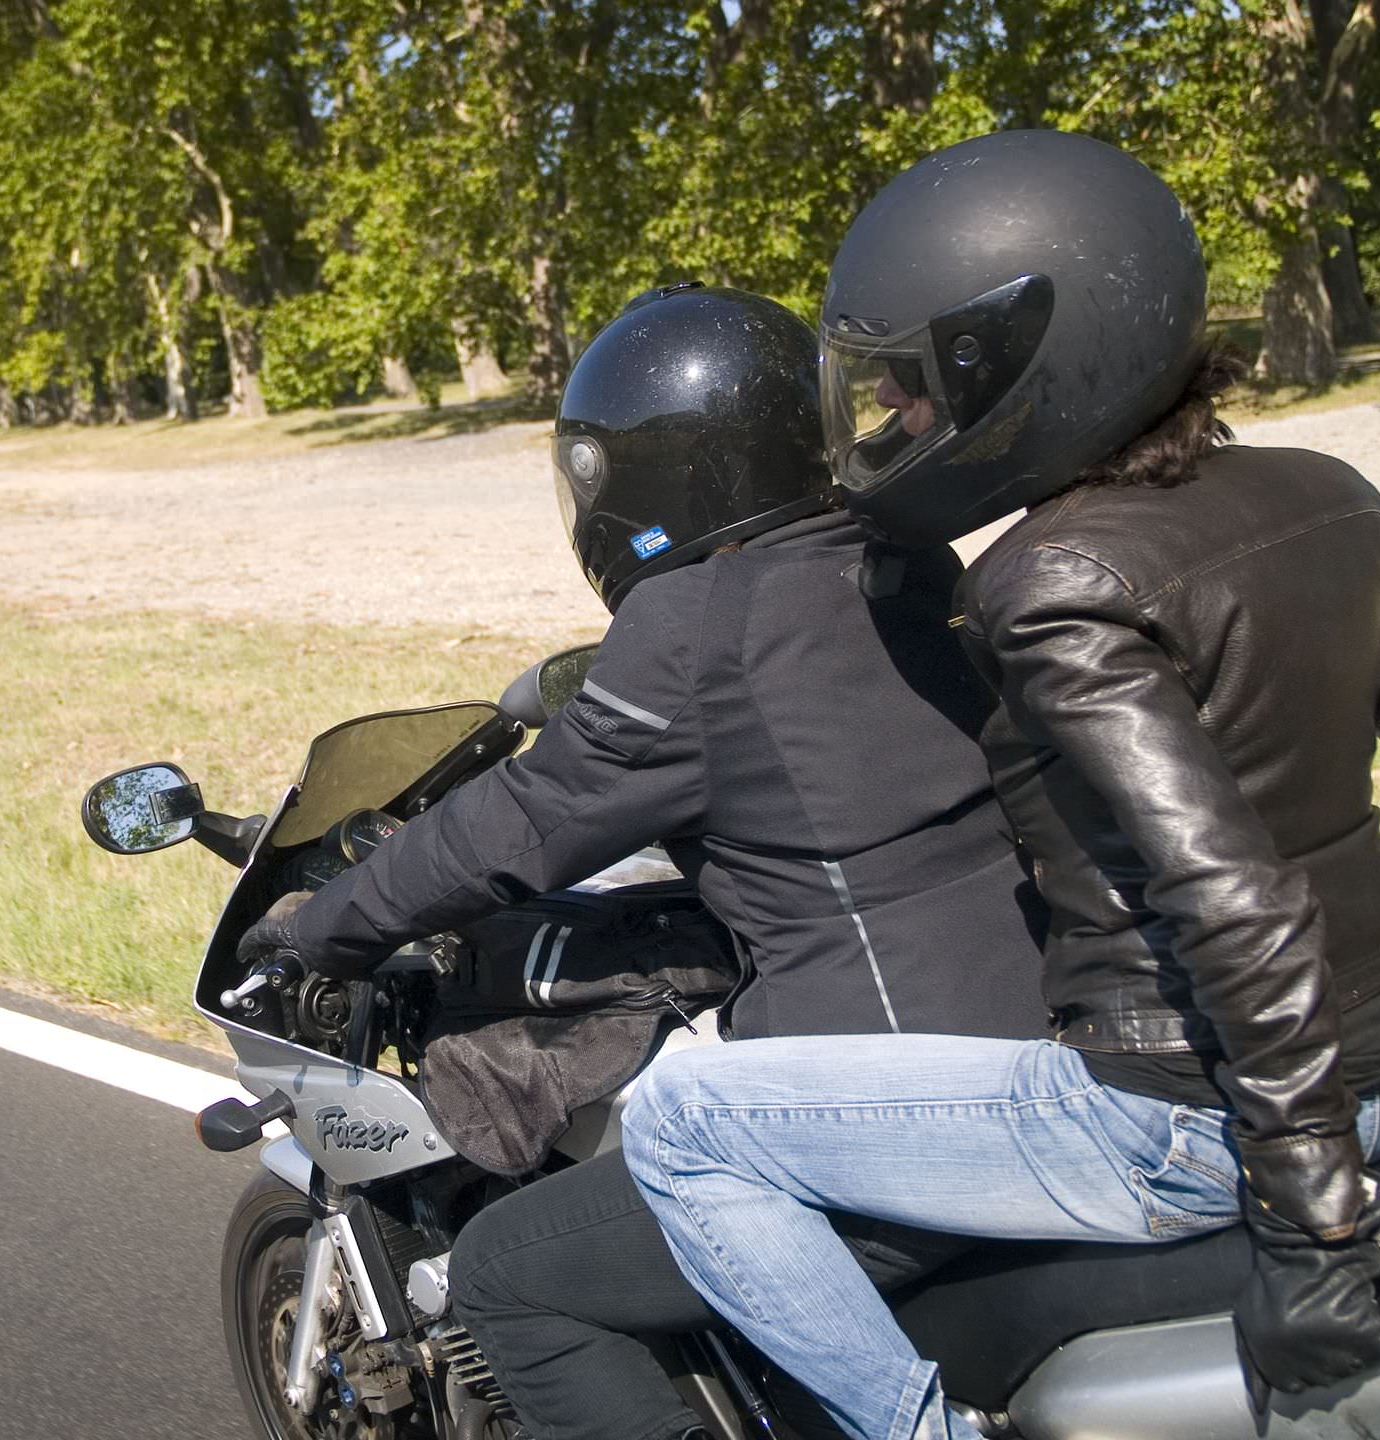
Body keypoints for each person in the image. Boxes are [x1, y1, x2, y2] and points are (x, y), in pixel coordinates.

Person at [623, 129, 1380, 1440]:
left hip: (1180, 1116)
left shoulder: (1050, 582)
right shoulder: (1329, 496)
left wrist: (1318, 1225)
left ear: (1032, 364)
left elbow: (1237, 902)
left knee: (683, 1118)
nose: (899, 422)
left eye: (923, 387)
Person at [239, 282, 1050, 1440]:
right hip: (1047, 1043)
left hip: (886, 1102)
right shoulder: (904, 561)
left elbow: (528, 814)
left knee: (512, 1276)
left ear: (644, 478)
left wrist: (323, 925)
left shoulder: (697, 626)